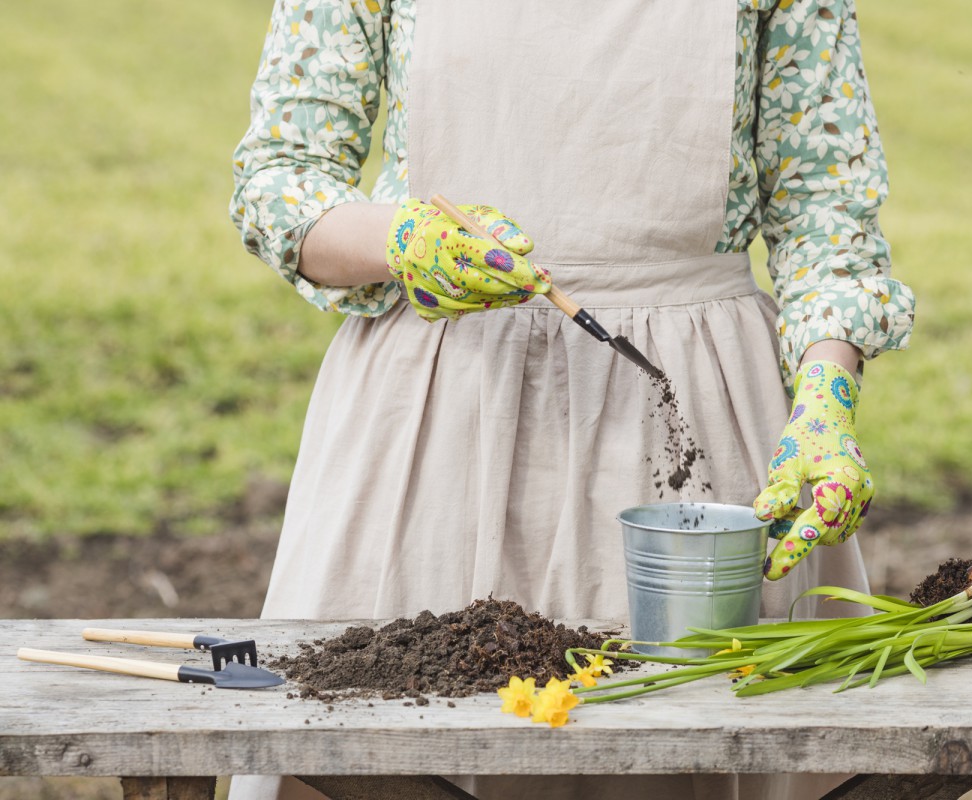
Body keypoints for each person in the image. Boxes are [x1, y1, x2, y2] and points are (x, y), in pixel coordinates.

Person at [228, 1, 914, 798]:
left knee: (688, 733)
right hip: (438, 425)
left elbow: (825, 213)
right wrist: (400, 238)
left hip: (698, 431)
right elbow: (281, 178)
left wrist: (825, 404)